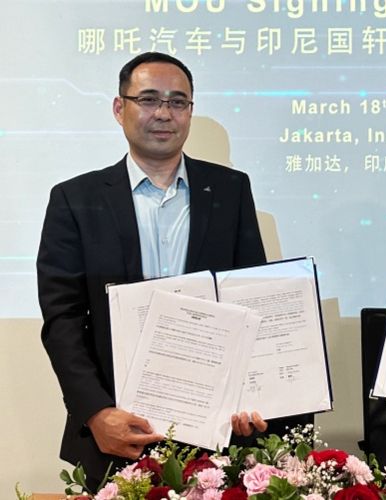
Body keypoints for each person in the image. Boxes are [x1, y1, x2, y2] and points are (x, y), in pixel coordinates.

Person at [37, 52, 308, 489]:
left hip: (214, 431)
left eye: (178, 102)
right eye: (148, 99)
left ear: (189, 112)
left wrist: (253, 394)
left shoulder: (230, 190)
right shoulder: (75, 199)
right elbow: (62, 319)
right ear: (119, 108)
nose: (164, 113)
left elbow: (249, 302)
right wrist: (96, 412)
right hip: (117, 430)